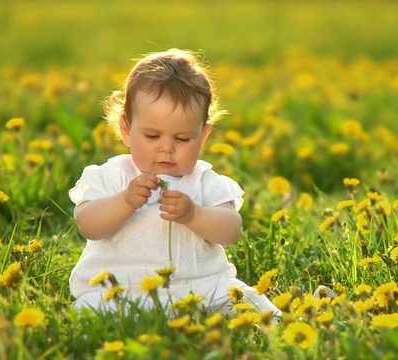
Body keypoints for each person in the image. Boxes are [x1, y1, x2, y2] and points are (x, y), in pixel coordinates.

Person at [68, 48, 280, 316]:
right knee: (91, 309)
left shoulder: (203, 180)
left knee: (247, 301)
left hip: (202, 289)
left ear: (203, 137)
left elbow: (231, 230)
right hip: (121, 290)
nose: (166, 148)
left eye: (182, 139)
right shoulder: (112, 176)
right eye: (153, 136)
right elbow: (88, 224)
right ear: (126, 129)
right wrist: (125, 201)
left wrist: (194, 214)